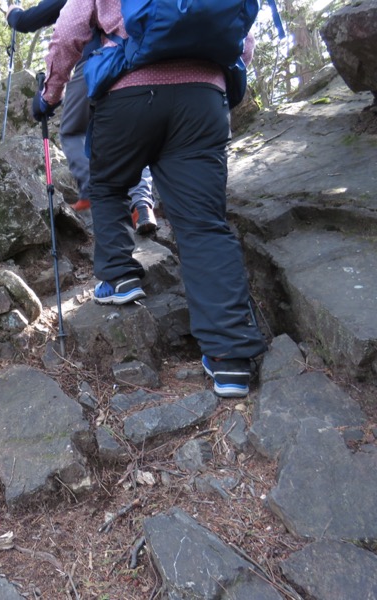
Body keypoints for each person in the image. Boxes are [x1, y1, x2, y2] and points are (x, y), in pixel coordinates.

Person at [32, 0, 266, 397]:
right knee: (203, 221)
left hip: (127, 93)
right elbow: (242, 39)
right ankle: (230, 358)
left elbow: (70, 29)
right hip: (203, 98)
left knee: (106, 184)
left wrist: (48, 96)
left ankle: (119, 276)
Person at [6, 1, 157, 234]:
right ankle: (142, 205)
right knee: (133, 137)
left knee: (72, 130)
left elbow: (33, 22)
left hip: (98, 64)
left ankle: (92, 194)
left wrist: (14, 14)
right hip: (142, 63)